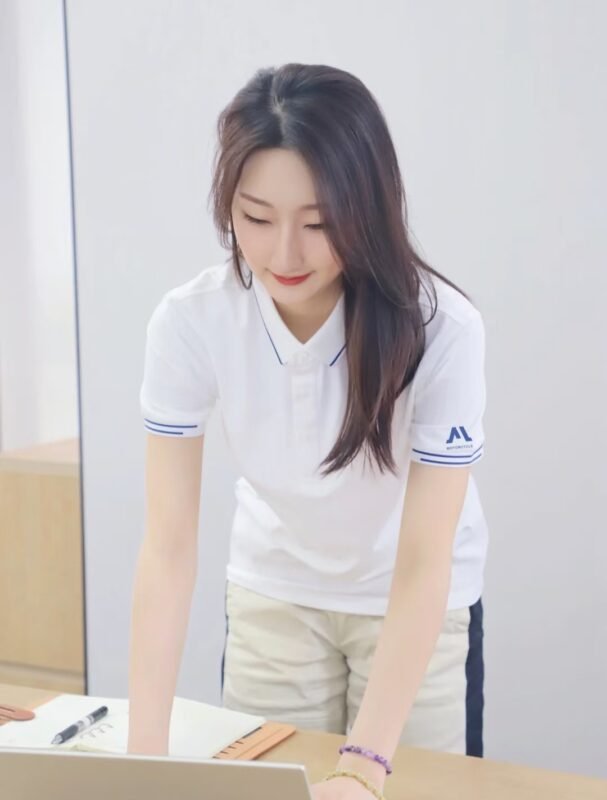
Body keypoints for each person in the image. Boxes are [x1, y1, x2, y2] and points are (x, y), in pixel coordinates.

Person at [127, 63, 487, 800]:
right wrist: (142, 761)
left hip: (412, 597)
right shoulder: (191, 321)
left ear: (368, 208)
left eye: (319, 224)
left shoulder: (442, 328)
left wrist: (362, 765)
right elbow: (167, 548)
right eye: (256, 219)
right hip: (274, 590)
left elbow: (425, 560)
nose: (284, 255)